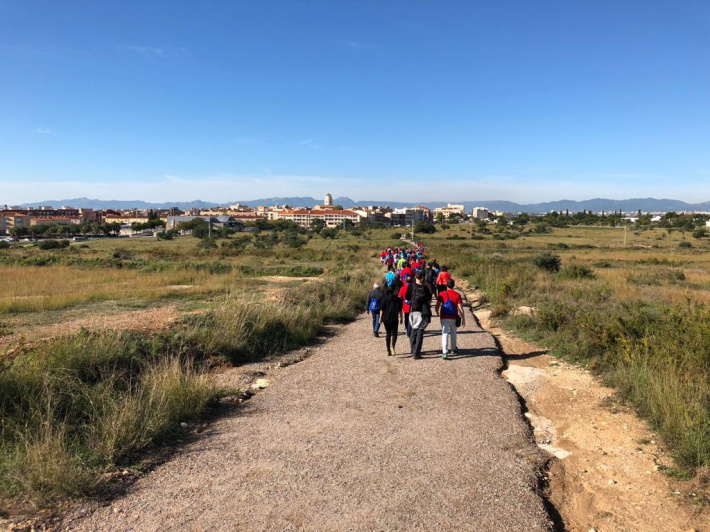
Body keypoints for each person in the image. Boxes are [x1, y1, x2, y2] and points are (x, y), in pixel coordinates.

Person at [435, 278, 465, 359]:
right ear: (453, 285)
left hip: (444, 316)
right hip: (453, 316)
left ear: (446, 285)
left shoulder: (442, 294)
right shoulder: (457, 295)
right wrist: (463, 319)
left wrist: (437, 312)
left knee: (444, 333)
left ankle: (445, 352)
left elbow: (437, 305)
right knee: (453, 333)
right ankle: (453, 349)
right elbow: (460, 308)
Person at [406, 271, 432, 359]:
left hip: (413, 311)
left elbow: (406, 298)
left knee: (413, 330)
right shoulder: (425, 288)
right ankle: (417, 352)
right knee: (420, 331)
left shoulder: (410, 287)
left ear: (415, 278)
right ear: (422, 278)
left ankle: (413, 349)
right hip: (422, 312)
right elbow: (429, 300)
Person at [379, 285, 403, 356]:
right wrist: (401, 318)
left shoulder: (384, 299)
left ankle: (388, 350)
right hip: (394, 318)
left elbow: (382, 310)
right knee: (395, 334)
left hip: (386, 319)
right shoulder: (398, 299)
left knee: (388, 334)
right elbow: (400, 310)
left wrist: (380, 318)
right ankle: (393, 346)